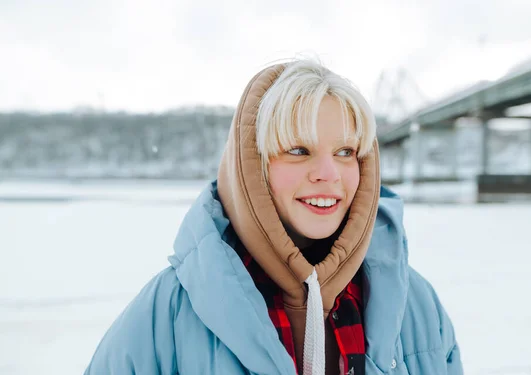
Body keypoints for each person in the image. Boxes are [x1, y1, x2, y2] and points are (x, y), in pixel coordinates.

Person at [84, 59, 463, 375]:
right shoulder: (166, 316)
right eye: (298, 150)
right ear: (253, 170)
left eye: (346, 151)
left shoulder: (416, 304)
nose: (328, 173)